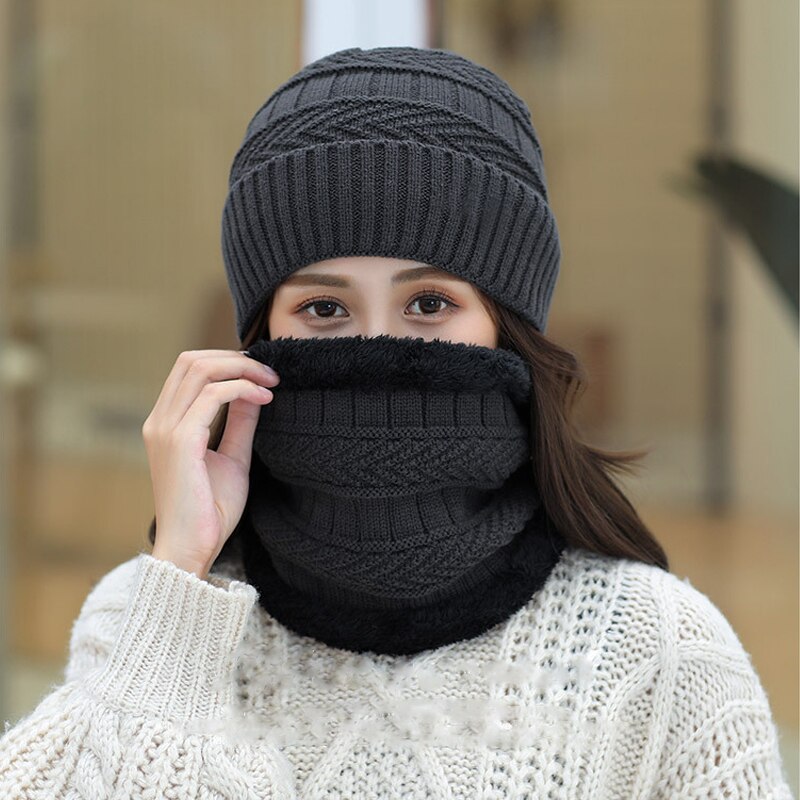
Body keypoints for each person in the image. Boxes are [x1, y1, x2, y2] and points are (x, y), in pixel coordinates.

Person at [0, 45, 792, 799]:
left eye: (429, 305)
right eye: (322, 308)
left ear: (502, 327)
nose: (376, 345)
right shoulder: (149, 619)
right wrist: (178, 583)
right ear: (261, 342)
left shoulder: (653, 647)